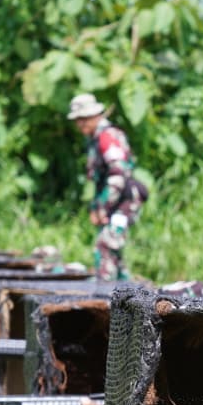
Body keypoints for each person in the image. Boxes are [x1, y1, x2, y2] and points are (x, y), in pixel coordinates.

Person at [68, 93, 147, 281]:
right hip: (113, 202)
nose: (81, 124)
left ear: (96, 116)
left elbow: (118, 174)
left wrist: (103, 206)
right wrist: (95, 207)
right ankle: (126, 294)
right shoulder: (94, 140)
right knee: (114, 252)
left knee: (106, 245)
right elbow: (98, 180)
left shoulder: (107, 137)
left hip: (125, 201)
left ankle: (104, 295)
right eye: (78, 120)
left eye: (84, 119)